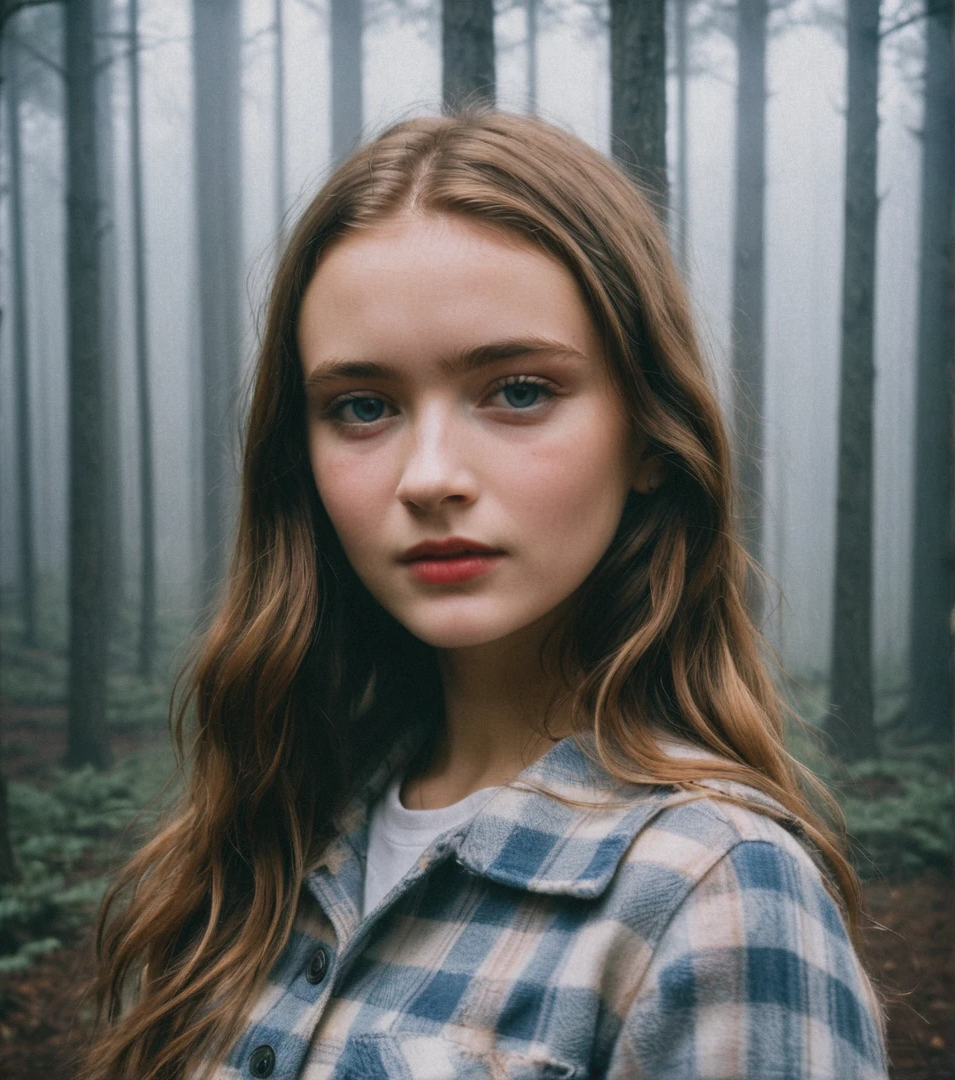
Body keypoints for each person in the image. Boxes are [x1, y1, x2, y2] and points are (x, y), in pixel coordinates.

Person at [80, 112, 887, 1080]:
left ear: (647, 434)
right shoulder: (276, 837)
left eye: (516, 390)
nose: (428, 477)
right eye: (363, 406)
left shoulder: (715, 898)